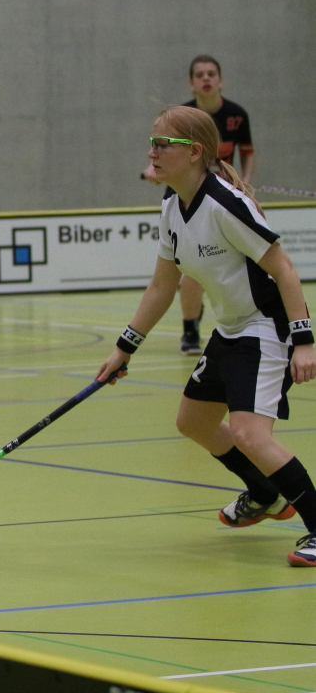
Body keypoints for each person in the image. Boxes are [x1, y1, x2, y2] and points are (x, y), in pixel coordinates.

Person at [97, 105, 316, 566]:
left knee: (250, 434)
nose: (152, 152)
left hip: (266, 326)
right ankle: (266, 494)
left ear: (195, 152)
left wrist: (303, 341)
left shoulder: (224, 204)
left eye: (163, 144)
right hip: (232, 328)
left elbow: (284, 268)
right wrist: (124, 348)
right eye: (152, 142)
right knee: (193, 421)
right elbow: (163, 285)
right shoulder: (172, 206)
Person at [152, 56, 258, 356]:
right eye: (200, 75)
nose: (206, 79)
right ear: (191, 83)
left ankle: (251, 323)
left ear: (221, 81)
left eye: (211, 74)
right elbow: (163, 154)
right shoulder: (182, 118)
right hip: (190, 199)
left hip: (224, 200)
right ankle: (190, 329)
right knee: (192, 269)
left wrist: (246, 183)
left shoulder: (237, 115)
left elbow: (248, 152)